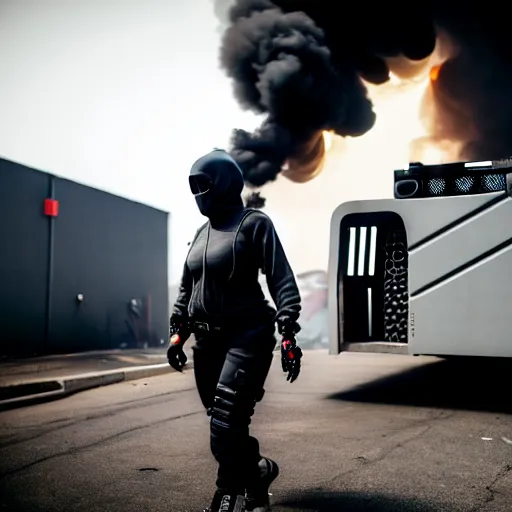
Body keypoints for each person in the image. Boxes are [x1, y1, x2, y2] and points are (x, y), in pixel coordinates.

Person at [167, 149, 303, 512]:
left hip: (247, 337)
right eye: (192, 186)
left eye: (203, 184)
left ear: (225, 183)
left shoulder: (255, 223)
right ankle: (258, 474)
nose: (197, 193)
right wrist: (177, 333)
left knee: (225, 426)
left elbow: (281, 277)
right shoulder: (200, 232)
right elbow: (187, 287)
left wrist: (288, 332)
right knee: (226, 427)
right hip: (206, 341)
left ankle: (226, 491)